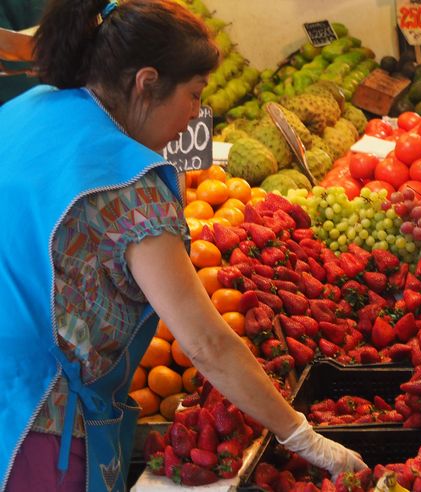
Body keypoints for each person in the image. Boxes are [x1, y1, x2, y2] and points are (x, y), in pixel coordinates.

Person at [0, 1, 366, 490]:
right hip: (39, 420)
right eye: (193, 95)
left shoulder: (26, 108)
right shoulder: (128, 186)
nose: (195, 113)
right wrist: (300, 435)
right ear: (145, 81)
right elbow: (206, 343)